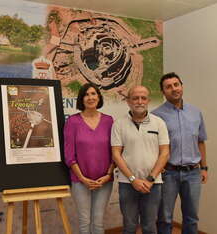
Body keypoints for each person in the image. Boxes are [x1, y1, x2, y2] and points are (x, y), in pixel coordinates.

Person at [152, 72, 208, 234]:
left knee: (192, 218)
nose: (173, 89)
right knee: (165, 217)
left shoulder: (195, 112)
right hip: (168, 173)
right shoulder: (156, 116)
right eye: (168, 87)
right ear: (163, 92)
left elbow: (200, 141)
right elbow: (153, 146)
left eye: (176, 84)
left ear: (182, 86)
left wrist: (204, 168)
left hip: (193, 173)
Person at [111, 85, 169, 234]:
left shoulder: (159, 123)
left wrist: (150, 179)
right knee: (129, 226)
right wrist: (132, 179)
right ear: (128, 101)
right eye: (135, 98)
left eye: (143, 98)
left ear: (148, 100)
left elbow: (164, 153)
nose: (139, 101)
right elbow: (116, 154)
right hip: (127, 183)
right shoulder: (119, 124)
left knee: (149, 226)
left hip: (153, 184)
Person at [64, 83, 114, 234]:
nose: (90, 97)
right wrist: (83, 178)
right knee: (85, 222)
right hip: (80, 181)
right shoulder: (73, 121)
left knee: (98, 222)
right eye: (86, 94)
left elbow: (115, 152)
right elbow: (69, 155)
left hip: (104, 181)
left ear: (99, 97)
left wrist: (108, 175)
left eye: (93, 94)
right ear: (81, 99)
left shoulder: (109, 121)